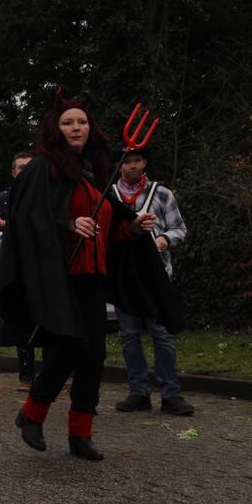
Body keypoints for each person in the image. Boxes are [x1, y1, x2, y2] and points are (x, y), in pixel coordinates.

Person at [0, 93, 176, 461]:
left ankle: (80, 434)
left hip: (92, 277)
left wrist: (133, 227)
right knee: (71, 347)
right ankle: (33, 412)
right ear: (56, 130)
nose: (77, 127)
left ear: (91, 129)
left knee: (94, 356)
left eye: (83, 122)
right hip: (59, 277)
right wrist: (70, 224)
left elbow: (109, 227)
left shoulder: (95, 172)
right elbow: (29, 221)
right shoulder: (43, 169)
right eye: (69, 122)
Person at [110, 149, 194, 416]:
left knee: (162, 335)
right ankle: (139, 392)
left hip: (156, 276)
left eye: (137, 161)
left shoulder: (161, 193)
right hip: (124, 277)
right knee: (129, 336)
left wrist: (164, 240)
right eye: (127, 162)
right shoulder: (110, 195)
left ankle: (171, 394)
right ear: (119, 165)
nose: (133, 166)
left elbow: (179, 227)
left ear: (144, 162)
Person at [0, 151, 39, 389]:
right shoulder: (4, 198)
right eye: (20, 168)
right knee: (23, 320)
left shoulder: (47, 195)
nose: (24, 172)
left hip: (44, 265)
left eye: (29, 167)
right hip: (17, 266)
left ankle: (54, 371)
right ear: (13, 172)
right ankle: (26, 375)